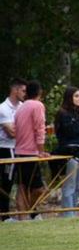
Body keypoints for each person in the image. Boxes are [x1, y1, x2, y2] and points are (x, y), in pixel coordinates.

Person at [53, 86, 79, 217]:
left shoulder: (78, 114)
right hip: (69, 153)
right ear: (69, 97)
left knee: (77, 184)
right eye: (76, 96)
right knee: (69, 184)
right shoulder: (63, 114)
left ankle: (73, 212)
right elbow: (70, 132)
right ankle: (67, 214)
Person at [14, 80, 48, 219]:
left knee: (22, 187)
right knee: (39, 189)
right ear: (40, 92)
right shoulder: (37, 105)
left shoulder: (20, 108)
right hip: (31, 152)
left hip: (19, 152)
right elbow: (40, 129)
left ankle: (24, 218)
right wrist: (41, 151)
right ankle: (31, 212)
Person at [0, 78, 26, 220]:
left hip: (20, 148)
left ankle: (25, 214)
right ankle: (4, 215)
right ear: (15, 90)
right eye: (23, 90)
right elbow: (12, 133)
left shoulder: (22, 106)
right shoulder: (3, 108)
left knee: (22, 182)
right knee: (6, 182)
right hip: (6, 148)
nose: (25, 93)